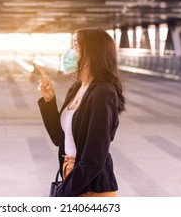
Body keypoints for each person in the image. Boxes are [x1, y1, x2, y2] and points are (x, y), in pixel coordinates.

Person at [37, 28, 126, 197]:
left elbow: (94, 159)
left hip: (92, 187)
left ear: (92, 54)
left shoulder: (102, 94)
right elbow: (59, 137)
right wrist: (49, 101)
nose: (70, 52)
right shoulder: (77, 88)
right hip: (73, 177)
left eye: (76, 46)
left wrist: (63, 193)